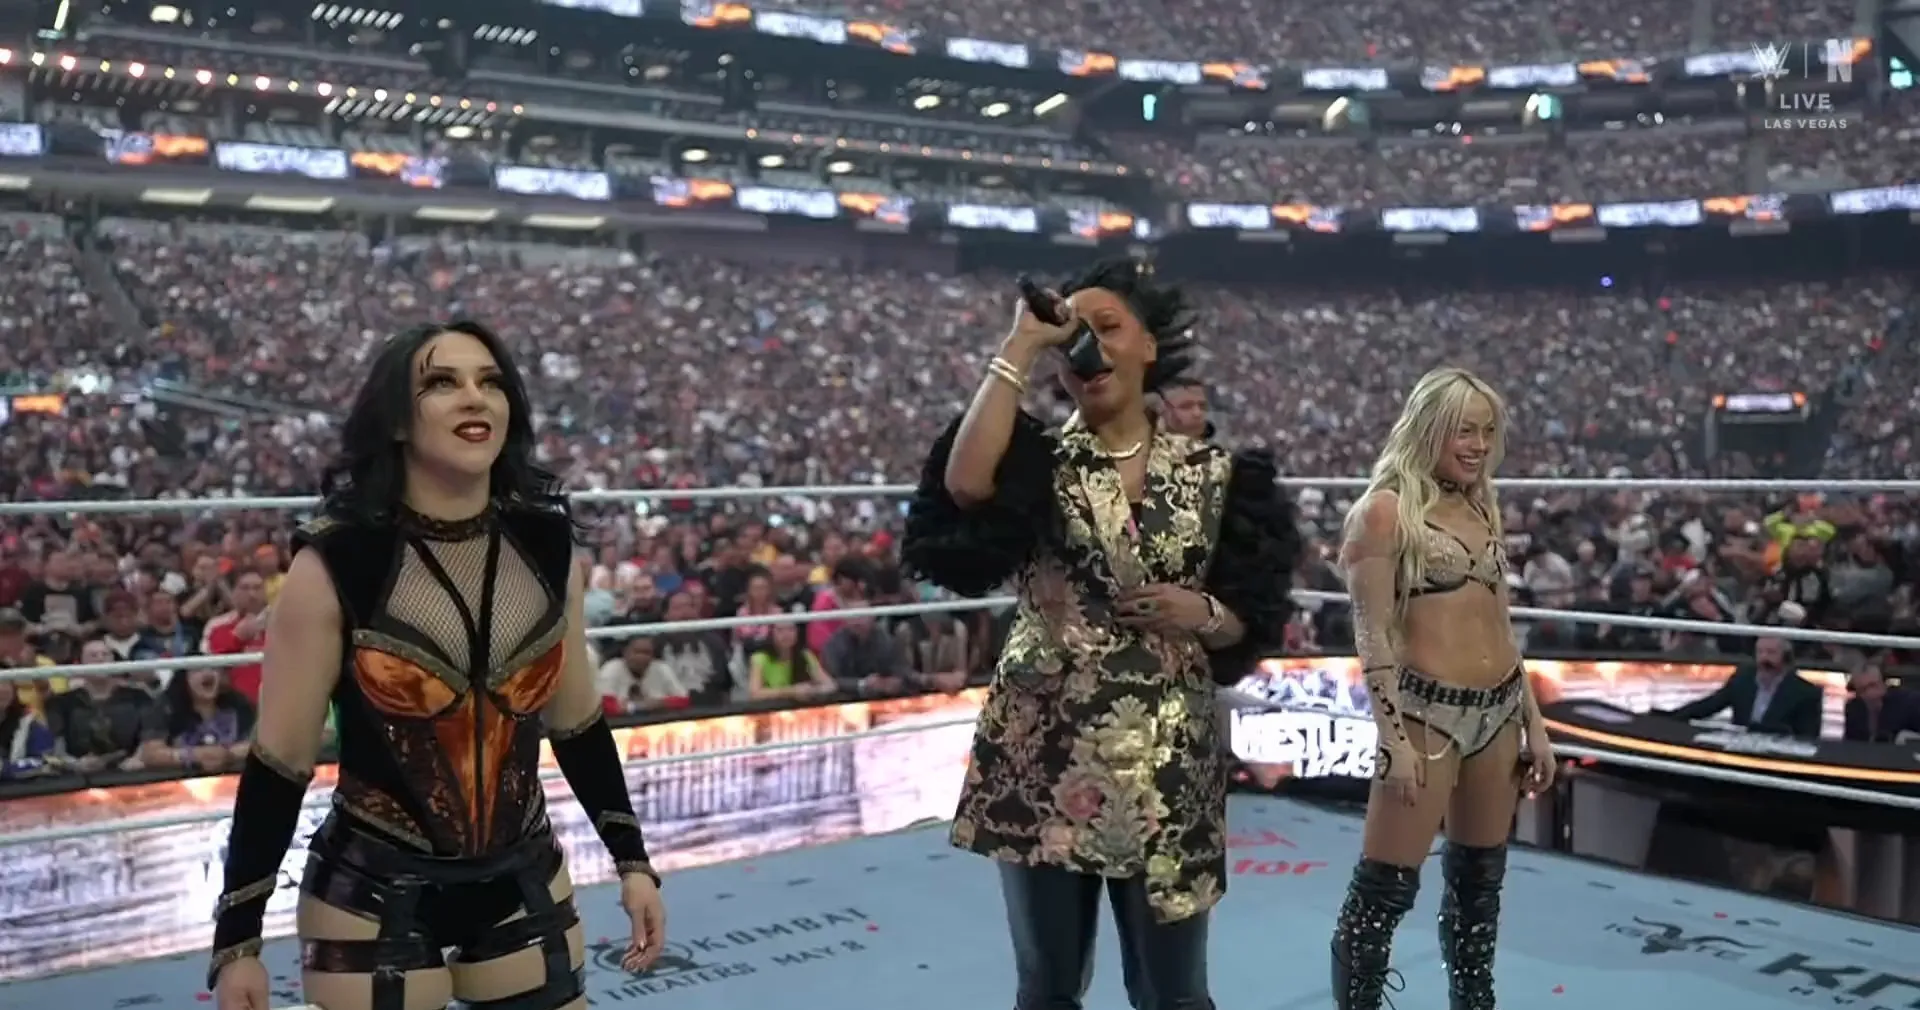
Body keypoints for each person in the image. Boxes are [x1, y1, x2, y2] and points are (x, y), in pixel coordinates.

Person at [208, 321, 667, 1010]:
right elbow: (281, 762)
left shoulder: (549, 545)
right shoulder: (336, 562)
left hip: (524, 873)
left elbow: (576, 722)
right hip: (371, 886)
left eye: (490, 382)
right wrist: (238, 943)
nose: (474, 397)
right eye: (442, 382)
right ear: (396, 418)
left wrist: (632, 861)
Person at [902, 258, 1298, 1010]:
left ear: (1150, 346)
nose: (1087, 347)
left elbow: (1251, 619)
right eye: (1072, 336)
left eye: (1108, 328)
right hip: (1039, 751)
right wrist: (1022, 343)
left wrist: (1204, 613)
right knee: (1046, 988)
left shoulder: (1219, 476)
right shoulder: (1032, 462)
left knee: (1175, 993)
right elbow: (964, 488)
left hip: (1168, 762)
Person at [1330, 367, 1555, 1010]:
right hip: (1426, 715)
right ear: (1428, 428)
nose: (1479, 445)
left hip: (1498, 713)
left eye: (1487, 432)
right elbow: (1373, 637)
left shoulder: (1483, 505)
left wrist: (1535, 724)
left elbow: (1501, 626)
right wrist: (1392, 738)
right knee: (1382, 894)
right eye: (1464, 430)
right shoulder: (1383, 512)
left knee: (1479, 892)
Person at [1662, 635, 1822, 739]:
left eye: (1771, 653)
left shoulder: (1806, 693)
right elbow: (1710, 705)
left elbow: (1807, 737)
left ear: (1786, 657)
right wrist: (1671, 717)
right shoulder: (1743, 679)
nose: (1764, 659)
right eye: (1760, 652)